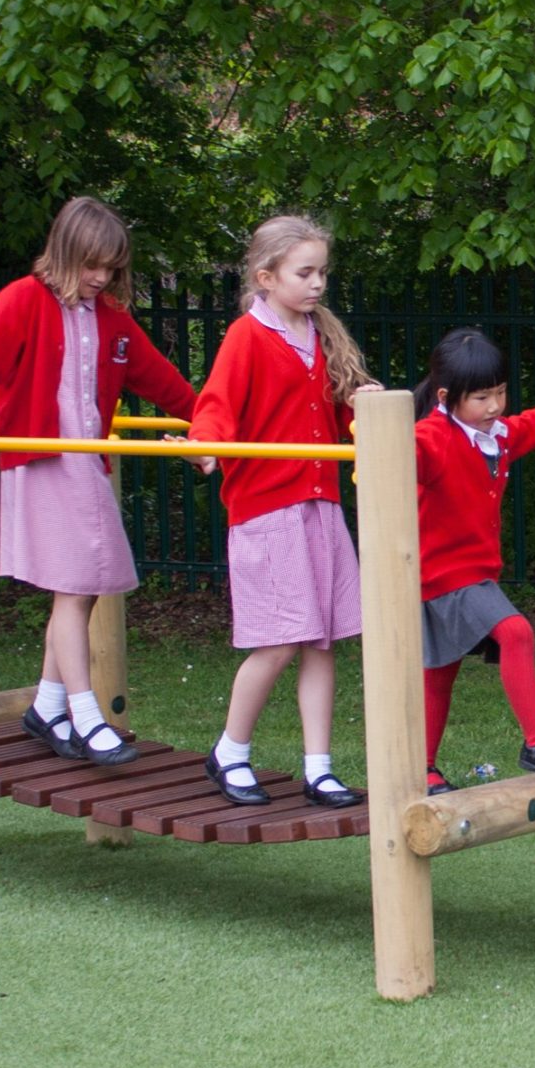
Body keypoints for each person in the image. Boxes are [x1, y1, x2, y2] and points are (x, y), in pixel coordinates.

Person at [0, 196, 196, 767]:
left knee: (85, 587)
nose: (100, 277)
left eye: (110, 268)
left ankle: (48, 706)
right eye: (91, 265)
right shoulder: (22, 300)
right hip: (44, 462)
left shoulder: (110, 317)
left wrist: (209, 425)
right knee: (76, 588)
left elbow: (161, 378)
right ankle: (85, 714)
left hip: (86, 463)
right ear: (64, 254)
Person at [188, 215, 373, 809]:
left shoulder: (320, 335)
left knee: (321, 642)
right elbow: (217, 403)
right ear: (266, 277)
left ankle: (319, 768)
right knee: (278, 642)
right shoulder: (248, 335)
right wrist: (206, 445)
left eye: (322, 272)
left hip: (319, 506)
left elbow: (331, 416)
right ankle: (230, 752)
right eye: (304, 273)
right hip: (268, 511)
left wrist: (363, 407)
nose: (317, 283)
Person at [411, 326, 535, 795]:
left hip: (470, 575)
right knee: (515, 632)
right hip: (442, 575)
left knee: (440, 672)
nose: (495, 406)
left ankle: (422, 767)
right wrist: (368, 420)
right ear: (446, 398)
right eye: (482, 398)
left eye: (500, 393)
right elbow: (402, 456)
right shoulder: (431, 437)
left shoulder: (497, 437)